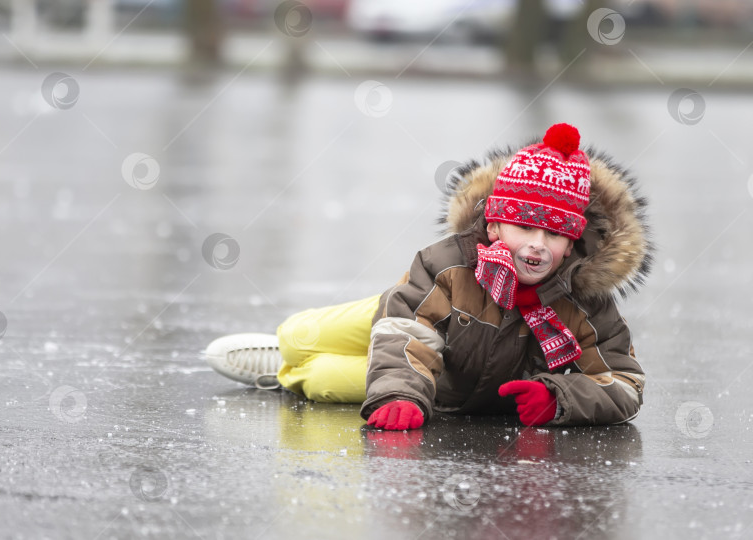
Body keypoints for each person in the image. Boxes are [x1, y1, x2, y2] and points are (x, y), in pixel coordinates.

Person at [204, 123, 652, 430]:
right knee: (302, 334)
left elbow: (625, 384)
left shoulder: (585, 305)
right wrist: (397, 391)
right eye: (524, 227)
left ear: (571, 244)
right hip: (416, 319)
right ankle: (284, 349)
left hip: (444, 385)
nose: (537, 244)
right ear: (495, 226)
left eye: (554, 234)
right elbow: (408, 328)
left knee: (321, 380)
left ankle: (284, 373)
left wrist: (561, 398)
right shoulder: (451, 263)